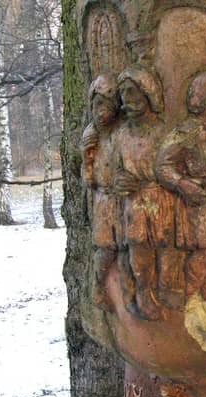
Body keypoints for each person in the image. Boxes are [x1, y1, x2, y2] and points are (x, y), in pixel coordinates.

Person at [156, 71, 206, 305]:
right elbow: (162, 164)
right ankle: (188, 294)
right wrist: (182, 183)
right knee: (205, 249)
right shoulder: (189, 132)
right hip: (196, 201)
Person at [112, 66, 170, 319]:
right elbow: (112, 168)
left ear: (148, 93)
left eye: (133, 92)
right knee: (138, 247)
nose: (129, 98)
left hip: (160, 198)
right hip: (133, 201)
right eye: (124, 93)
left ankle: (164, 292)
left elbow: (173, 165)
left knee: (164, 246)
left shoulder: (161, 131)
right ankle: (142, 293)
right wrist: (119, 179)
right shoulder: (121, 135)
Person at [81, 73, 121, 310]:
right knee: (106, 247)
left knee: (128, 246)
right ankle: (98, 287)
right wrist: (87, 165)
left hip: (123, 198)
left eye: (107, 106)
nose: (102, 113)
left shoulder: (120, 133)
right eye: (97, 106)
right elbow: (88, 174)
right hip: (103, 200)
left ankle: (127, 291)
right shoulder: (91, 137)